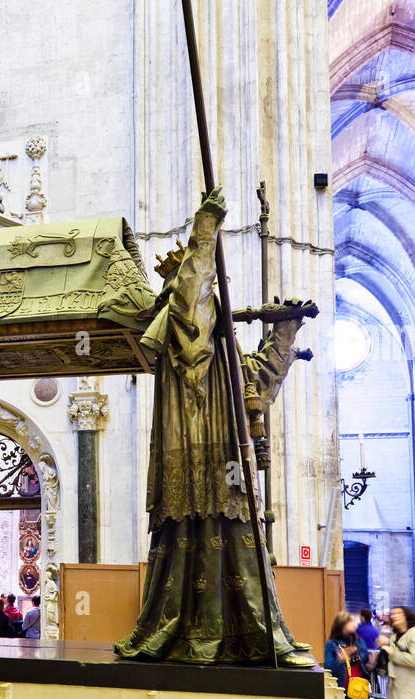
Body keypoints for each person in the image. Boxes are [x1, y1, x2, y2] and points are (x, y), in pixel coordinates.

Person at [113, 188, 316, 666]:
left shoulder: (225, 348)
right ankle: (193, 633)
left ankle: (258, 635)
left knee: (243, 539)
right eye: (207, 285)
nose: (213, 293)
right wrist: (205, 231)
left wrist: (285, 330)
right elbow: (190, 305)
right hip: (194, 453)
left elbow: (258, 386)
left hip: (229, 459)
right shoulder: (182, 328)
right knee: (195, 537)